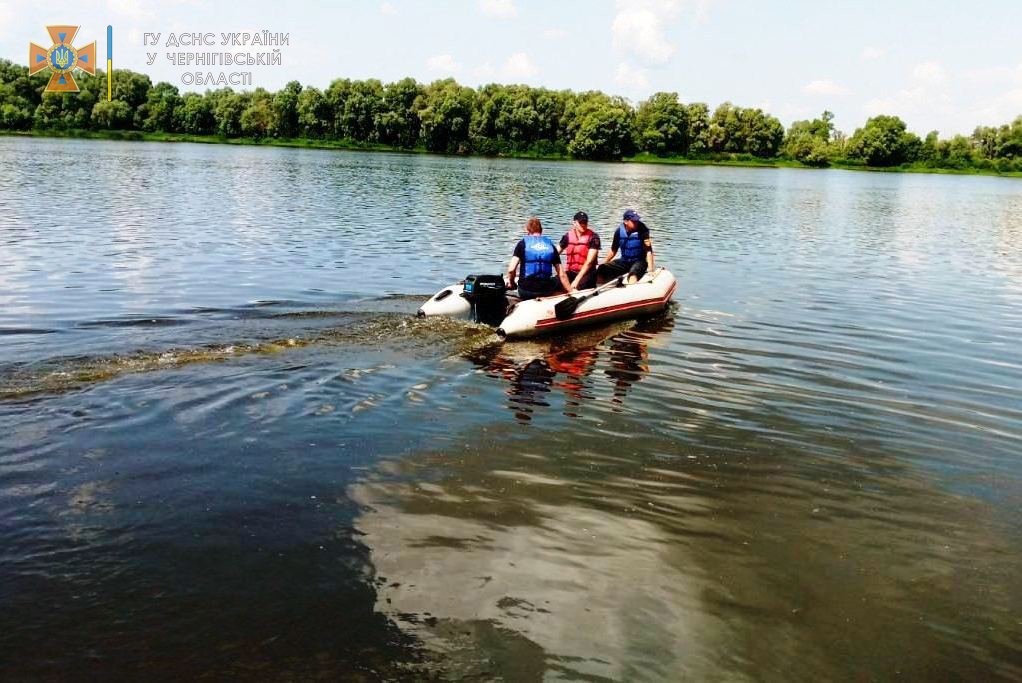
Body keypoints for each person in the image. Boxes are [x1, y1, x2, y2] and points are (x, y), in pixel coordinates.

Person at [506, 217, 573, 300]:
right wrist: (572, 292)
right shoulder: (550, 246)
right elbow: (562, 274)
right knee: (557, 280)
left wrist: (512, 283)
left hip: (525, 291)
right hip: (545, 290)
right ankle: (561, 297)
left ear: (528, 231)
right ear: (541, 230)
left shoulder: (522, 244)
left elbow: (511, 270)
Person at [597, 209, 655, 285]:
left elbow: (649, 251)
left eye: (637, 220)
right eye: (633, 221)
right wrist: (602, 263)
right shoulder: (619, 231)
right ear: (626, 221)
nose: (636, 222)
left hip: (639, 261)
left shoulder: (643, 230)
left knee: (632, 275)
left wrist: (650, 270)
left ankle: (631, 292)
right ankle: (598, 290)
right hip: (624, 261)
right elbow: (613, 251)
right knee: (601, 269)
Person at [557, 210, 601, 291]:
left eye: (585, 222)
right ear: (574, 223)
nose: (583, 224)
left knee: (575, 288)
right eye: (581, 222)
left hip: (587, 274)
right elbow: (555, 254)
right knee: (554, 282)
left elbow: (589, 262)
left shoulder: (594, 238)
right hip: (571, 272)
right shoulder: (567, 236)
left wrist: (576, 281)